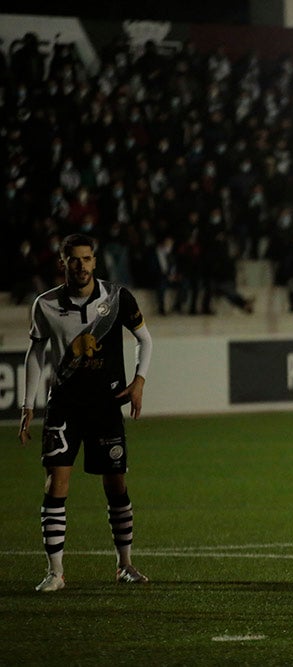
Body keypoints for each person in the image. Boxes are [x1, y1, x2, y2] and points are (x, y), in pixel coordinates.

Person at [17, 233, 153, 592]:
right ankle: (55, 573)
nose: (81, 265)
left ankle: (124, 565)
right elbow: (36, 353)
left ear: (95, 261)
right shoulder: (44, 305)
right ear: (63, 263)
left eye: (87, 258)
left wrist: (139, 381)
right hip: (64, 406)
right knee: (55, 483)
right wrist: (28, 404)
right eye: (74, 259)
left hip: (106, 406)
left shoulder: (117, 298)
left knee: (116, 485)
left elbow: (145, 339)